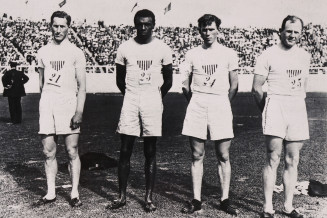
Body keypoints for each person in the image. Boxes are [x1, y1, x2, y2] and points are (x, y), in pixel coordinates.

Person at [108, 9, 173, 212]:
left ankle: (148, 198)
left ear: (154, 25)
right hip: (131, 99)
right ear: (134, 24)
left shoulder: (162, 48)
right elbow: (119, 79)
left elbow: (169, 80)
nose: (143, 28)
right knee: (125, 148)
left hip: (152, 100)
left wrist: (155, 96)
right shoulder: (125, 47)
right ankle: (121, 196)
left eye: (147, 24)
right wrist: (131, 95)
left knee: (150, 150)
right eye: (140, 24)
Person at [252, 15, 310, 218]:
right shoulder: (268, 54)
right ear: (281, 31)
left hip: (296, 107)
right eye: (288, 31)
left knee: (293, 159)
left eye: (296, 32)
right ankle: (268, 208)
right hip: (275, 104)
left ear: (300, 34)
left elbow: (303, 85)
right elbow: (257, 88)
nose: (292, 35)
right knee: (273, 158)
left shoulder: (304, 56)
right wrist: (266, 110)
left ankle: (288, 206)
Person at [180, 14, 239, 215]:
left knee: (223, 154)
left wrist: (222, 103)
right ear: (199, 31)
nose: (208, 33)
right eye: (204, 30)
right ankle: (196, 199)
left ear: (218, 30)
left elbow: (234, 85)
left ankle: (224, 199)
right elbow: (185, 86)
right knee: (197, 154)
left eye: (211, 29)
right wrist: (196, 102)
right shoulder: (192, 54)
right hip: (198, 102)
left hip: (220, 103)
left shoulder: (228, 54)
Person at [34, 11, 86, 208]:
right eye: (55, 26)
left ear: (68, 28)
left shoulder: (76, 52)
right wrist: (47, 103)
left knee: (72, 150)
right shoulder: (43, 52)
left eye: (62, 26)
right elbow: (41, 84)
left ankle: (74, 193)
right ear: (50, 26)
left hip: (68, 104)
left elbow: (82, 87)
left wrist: (79, 111)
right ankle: (50, 192)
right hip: (48, 104)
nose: (58, 30)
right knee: (48, 152)